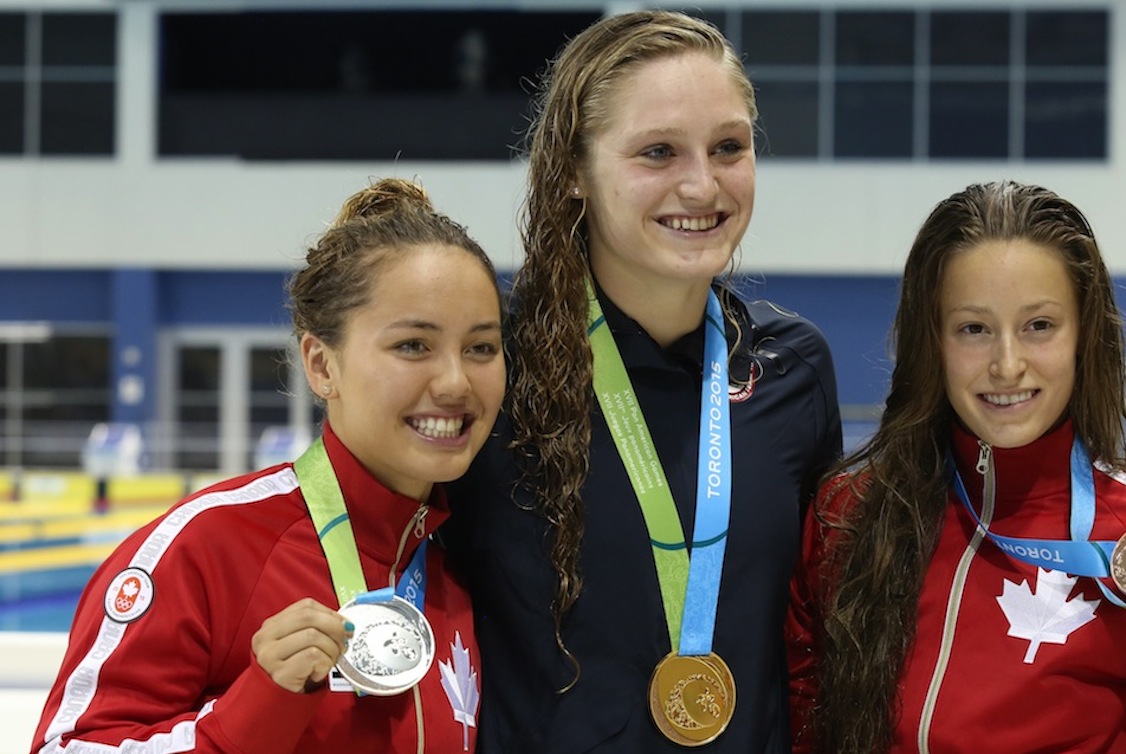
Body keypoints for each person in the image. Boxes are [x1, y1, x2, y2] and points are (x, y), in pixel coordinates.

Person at [445, 10, 843, 752]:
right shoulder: (489, 363)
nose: (701, 184)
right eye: (658, 151)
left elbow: (812, 632)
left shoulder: (793, 370)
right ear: (571, 174)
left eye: (729, 147)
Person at [31, 178, 505, 754]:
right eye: (413, 346)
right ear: (321, 364)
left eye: (481, 348)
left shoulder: (471, 563)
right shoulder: (211, 546)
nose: (456, 382)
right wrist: (255, 709)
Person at [787, 181, 1126, 753]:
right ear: (931, 341)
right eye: (974, 329)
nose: (1007, 365)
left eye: (1039, 325)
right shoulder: (849, 515)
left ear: (1085, 335)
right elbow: (801, 725)